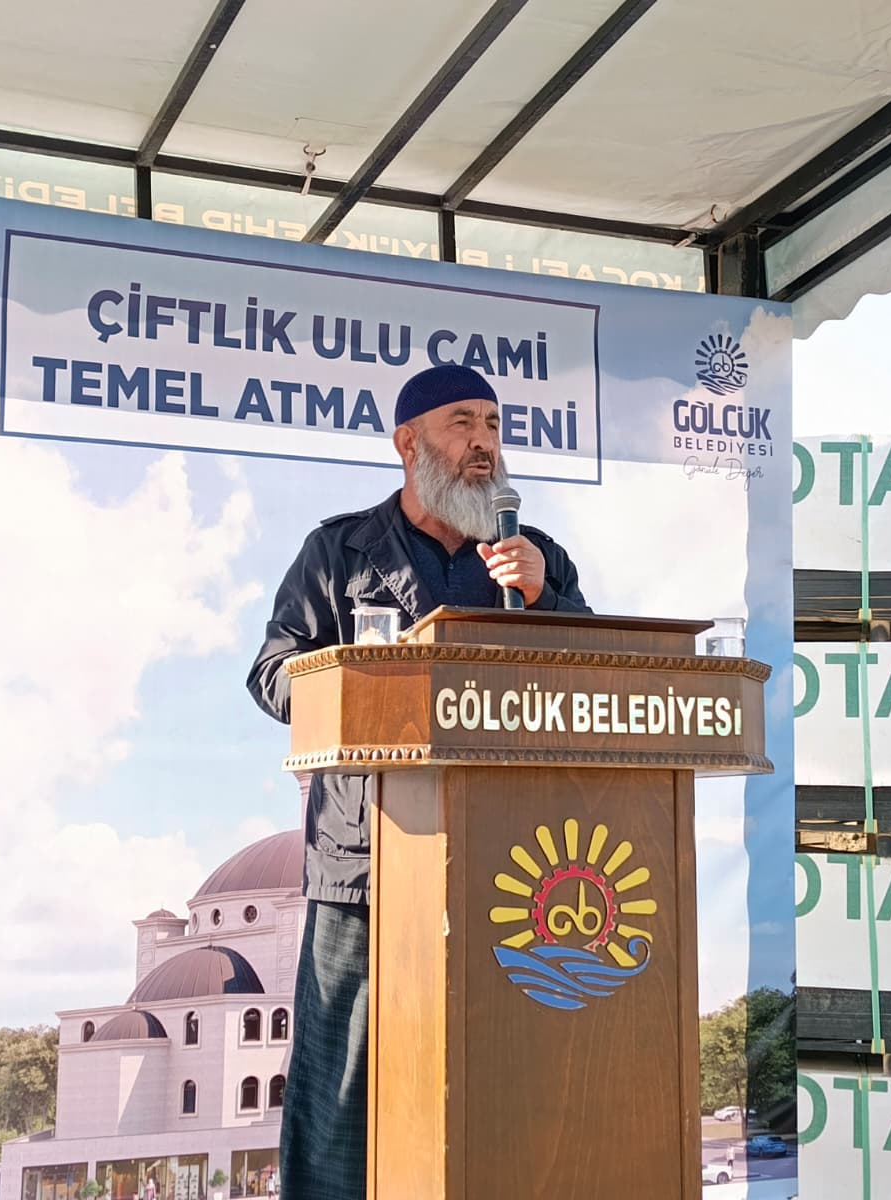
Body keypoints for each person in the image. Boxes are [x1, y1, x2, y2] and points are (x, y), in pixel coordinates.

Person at [247, 363, 590, 1199]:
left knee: (500, 1081)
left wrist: (545, 599)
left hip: (511, 866)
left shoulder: (535, 558)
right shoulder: (338, 552)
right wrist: (368, 684)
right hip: (365, 863)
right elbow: (273, 674)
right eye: (462, 423)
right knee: (342, 1097)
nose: (484, 443)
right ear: (409, 444)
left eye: (494, 425)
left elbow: (591, 680)